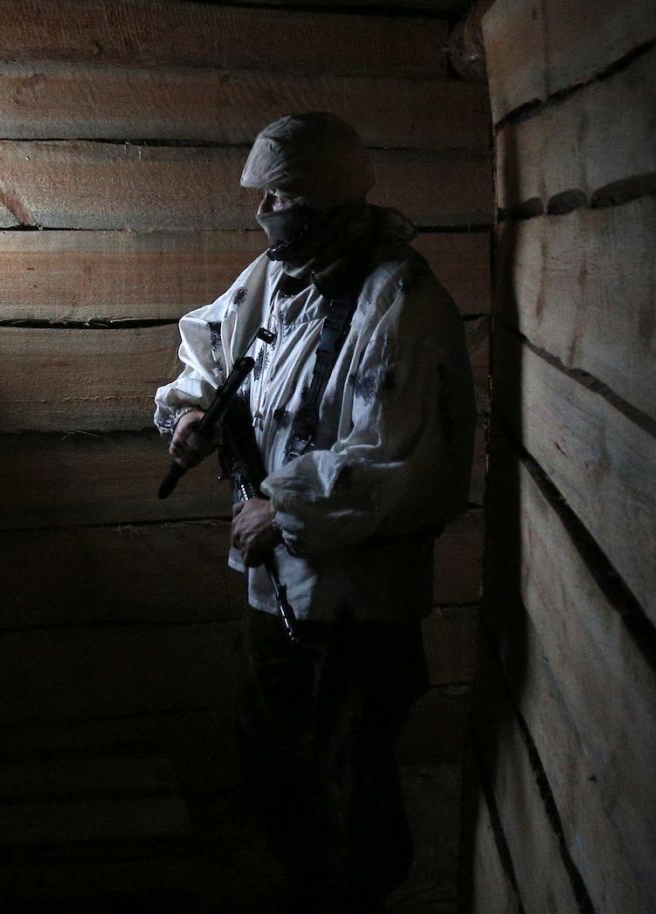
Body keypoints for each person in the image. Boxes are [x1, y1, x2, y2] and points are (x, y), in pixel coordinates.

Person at [152, 112, 476, 914]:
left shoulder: (399, 299)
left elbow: (397, 456)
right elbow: (216, 349)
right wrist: (194, 413)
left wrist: (284, 511)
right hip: (278, 582)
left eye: (284, 196)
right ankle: (306, 889)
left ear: (331, 201)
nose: (266, 210)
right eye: (264, 194)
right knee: (270, 747)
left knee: (353, 768)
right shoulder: (275, 277)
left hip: (360, 594)